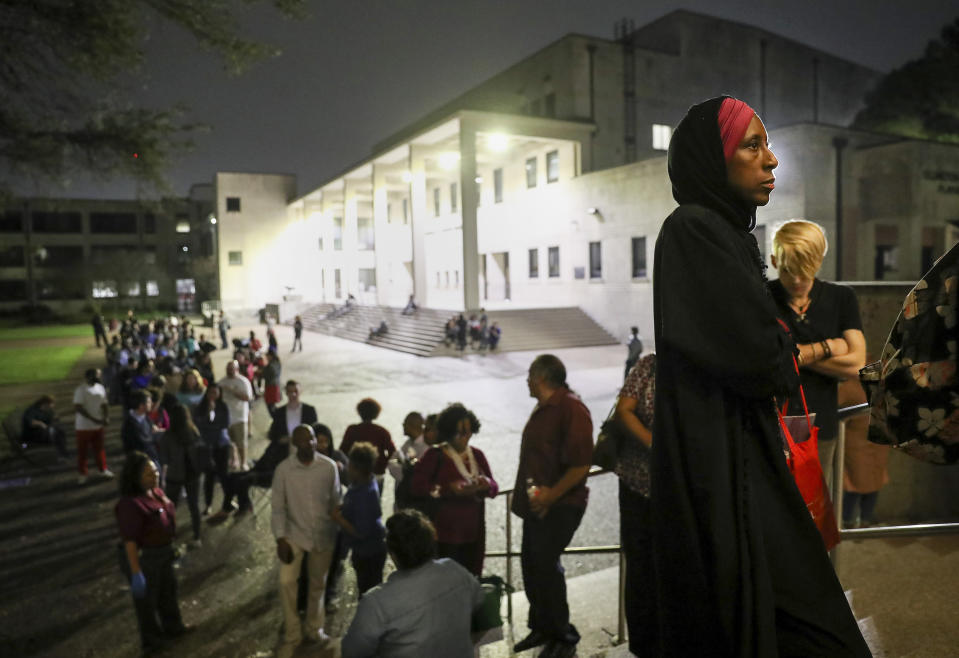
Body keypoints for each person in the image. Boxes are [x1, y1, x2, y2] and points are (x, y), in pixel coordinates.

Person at [650, 96, 869, 656]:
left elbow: (777, 350)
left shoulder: (724, 234)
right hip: (727, 473)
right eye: (752, 145)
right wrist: (792, 345)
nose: (771, 161)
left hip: (744, 464)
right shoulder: (695, 230)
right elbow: (763, 358)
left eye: (768, 144)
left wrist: (787, 345)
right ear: (712, 159)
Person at [768, 219, 867, 493]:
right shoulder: (763, 295)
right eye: (789, 271)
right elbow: (767, 359)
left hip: (819, 421)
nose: (798, 280)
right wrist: (828, 347)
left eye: (806, 270)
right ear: (775, 261)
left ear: (819, 261)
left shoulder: (840, 297)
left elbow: (857, 363)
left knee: (813, 506)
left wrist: (799, 354)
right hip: (769, 421)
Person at [511, 354, 593, 658]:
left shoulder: (571, 408)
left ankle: (562, 633)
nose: (527, 380)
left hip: (561, 504)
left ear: (542, 377)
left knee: (546, 566)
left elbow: (582, 464)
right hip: (538, 504)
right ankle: (542, 626)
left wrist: (551, 495)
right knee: (532, 565)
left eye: (530, 374)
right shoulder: (545, 407)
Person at [340, 510, 484, 658]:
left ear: (392, 554)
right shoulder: (455, 570)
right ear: (431, 542)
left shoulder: (376, 603)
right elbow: (479, 601)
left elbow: (351, 652)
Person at [271, 425, 341, 658]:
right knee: (286, 581)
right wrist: (280, 538)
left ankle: (314, 629)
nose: (307, 444)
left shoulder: (329, 467)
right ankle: (292, 634)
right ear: (294, 443)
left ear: (315, 440)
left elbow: (335, 501)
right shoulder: (284, 470)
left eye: (310, 439)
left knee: (317, 584)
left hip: (323, 534)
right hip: (294, 534)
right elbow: (278, 508)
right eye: (301, 441)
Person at [115, 451, 192, 653]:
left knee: (168, 592)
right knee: (147, 603)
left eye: (155, 471)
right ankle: (152, 641)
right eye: (148, 474)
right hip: (145, 557)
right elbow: (130, 541)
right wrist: (136, 571)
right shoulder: (130, 505)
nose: (155, 476)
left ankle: (173, 627)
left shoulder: (156, 492)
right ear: (135, 477)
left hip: (163, 553)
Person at [410, 403, 497, 576]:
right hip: (443, 536)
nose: (464, 437)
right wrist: (446, 490)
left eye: (468, 432)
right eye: (459, 432)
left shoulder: (477, 455)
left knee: (470, 580)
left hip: (473, 535)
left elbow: (494, 487)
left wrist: (486, 484)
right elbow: (416, 487)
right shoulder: (435, 456)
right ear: (448, 433)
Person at [613, 353, 657, 657]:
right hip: (639, 485)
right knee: (641, 566)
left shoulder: (700, 364)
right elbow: (623, 409)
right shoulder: (648, 365)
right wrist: (655, 442)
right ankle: (644, 644)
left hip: (671, 490)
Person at [332, 442, 388, 596]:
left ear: (357, 469)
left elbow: (360, 532)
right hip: (370, 547)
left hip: (369, 551)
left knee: (368, 593)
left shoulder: (365, 493)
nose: (347, 467)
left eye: (349, 464)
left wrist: (338, 518)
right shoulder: (365, 481)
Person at [159, 404, 203, 547]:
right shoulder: (193, 431)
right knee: (194, 506)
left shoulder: (168, 436)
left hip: (174, 475)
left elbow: (164, 458)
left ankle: (169, 535)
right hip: (193, 474)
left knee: (171, 507)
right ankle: (197, 536)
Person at [192, 383, 232, 516]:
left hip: (221, 446)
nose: (213, 396)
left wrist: (211, 422)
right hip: (207, 447)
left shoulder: (223, 406)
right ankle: (208, 504)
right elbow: (198, 425)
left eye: (216, 393)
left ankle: (228, 502)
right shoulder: (200, 407)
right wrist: (209, 414)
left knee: (224, 475)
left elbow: (224, 424)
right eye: (211, 393)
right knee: (209, 476)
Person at [340, 398, 396, 491]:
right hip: (377, 473)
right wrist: (383, 464)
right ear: (376, 413)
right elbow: (393, 453)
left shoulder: (352, 430)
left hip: (356, 474)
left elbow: (343, 451)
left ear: (359, 412)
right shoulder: (382, 431)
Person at [73, 368, 113, 484]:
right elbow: (78, 408)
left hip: (97, 425)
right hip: (83, 426)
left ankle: (103, 469)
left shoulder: (100, 388)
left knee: (99, 449)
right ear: (90, 376)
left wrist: (106, 417)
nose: (100, 377)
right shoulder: (81, 390)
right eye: (98, 375)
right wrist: (94, 419)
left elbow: (104, 404)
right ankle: (83, 473)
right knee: (83, 451)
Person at [387, 412, 428, 512]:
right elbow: (392, 461)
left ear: (412, 425)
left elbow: (412, 475)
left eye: (405, 423)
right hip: (400, 501)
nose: (403, 425)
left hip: (411, 504)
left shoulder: (425, 448)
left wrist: (402, 467)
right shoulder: (408, 442)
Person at [218, 360, 254, 471]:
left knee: (241, 442)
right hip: (226, 417)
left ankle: (243, 462)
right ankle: (234, 460)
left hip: (240, 417)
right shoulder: (221, 382)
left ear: (237, 369)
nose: (230, 371)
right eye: (228, 368)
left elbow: (247, 398)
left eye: (232, 368)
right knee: (230, 442)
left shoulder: (243, 382)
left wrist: (233, 391)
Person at [122, 390, 160, 467]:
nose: (151, 404)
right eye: (149, 402)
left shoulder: (145, 417)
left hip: (151, 458)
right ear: (141, 406)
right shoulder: (130, 425)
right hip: (141, 463)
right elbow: (142, 443)